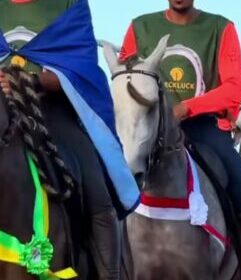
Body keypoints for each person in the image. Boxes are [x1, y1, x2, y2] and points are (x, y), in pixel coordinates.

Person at [119, 0, 241, 277]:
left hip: (202, 127)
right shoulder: (140, 26)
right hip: (148, 129)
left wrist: (186, 107)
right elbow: (126, 79)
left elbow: (235, 88)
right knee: (110, 179)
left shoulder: (221, 28)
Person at [0, 0, 140, 279]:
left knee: (97, 189)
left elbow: (83, 68)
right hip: (0, 108)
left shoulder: (70, 4)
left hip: (52, 111)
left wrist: (33, 80)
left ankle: (109, 273)